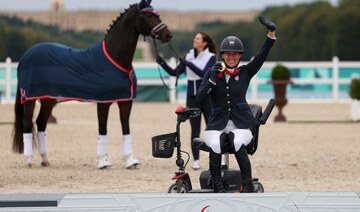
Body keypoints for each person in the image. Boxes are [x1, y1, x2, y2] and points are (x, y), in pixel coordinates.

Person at [196, 16, 277, 193]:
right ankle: (218, 187)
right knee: (216, 144)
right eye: (227, 53)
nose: (231, 57)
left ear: (240, 56)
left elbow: (262, 56)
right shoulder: (211, 73)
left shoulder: (246, 72)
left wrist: (271, 34)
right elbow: (198, 98)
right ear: (222, 55)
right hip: (216, 124)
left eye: (235, 54)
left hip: (240, 124)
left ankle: (247, 185)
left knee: (237, 141)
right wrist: (210, 81)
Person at [156, 32, 217, 170]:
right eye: (194, 37)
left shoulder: (211, 57)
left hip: (207, 96)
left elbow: (204, 73)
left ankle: (215, 157)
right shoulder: (188, 55)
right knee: (194, 130)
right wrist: (162, 63)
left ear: (204, 43)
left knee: (212, 128)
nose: (194, 40)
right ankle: (196, 160)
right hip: (192, 97)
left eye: (198, 38)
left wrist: (188, 64)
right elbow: (174, 72)